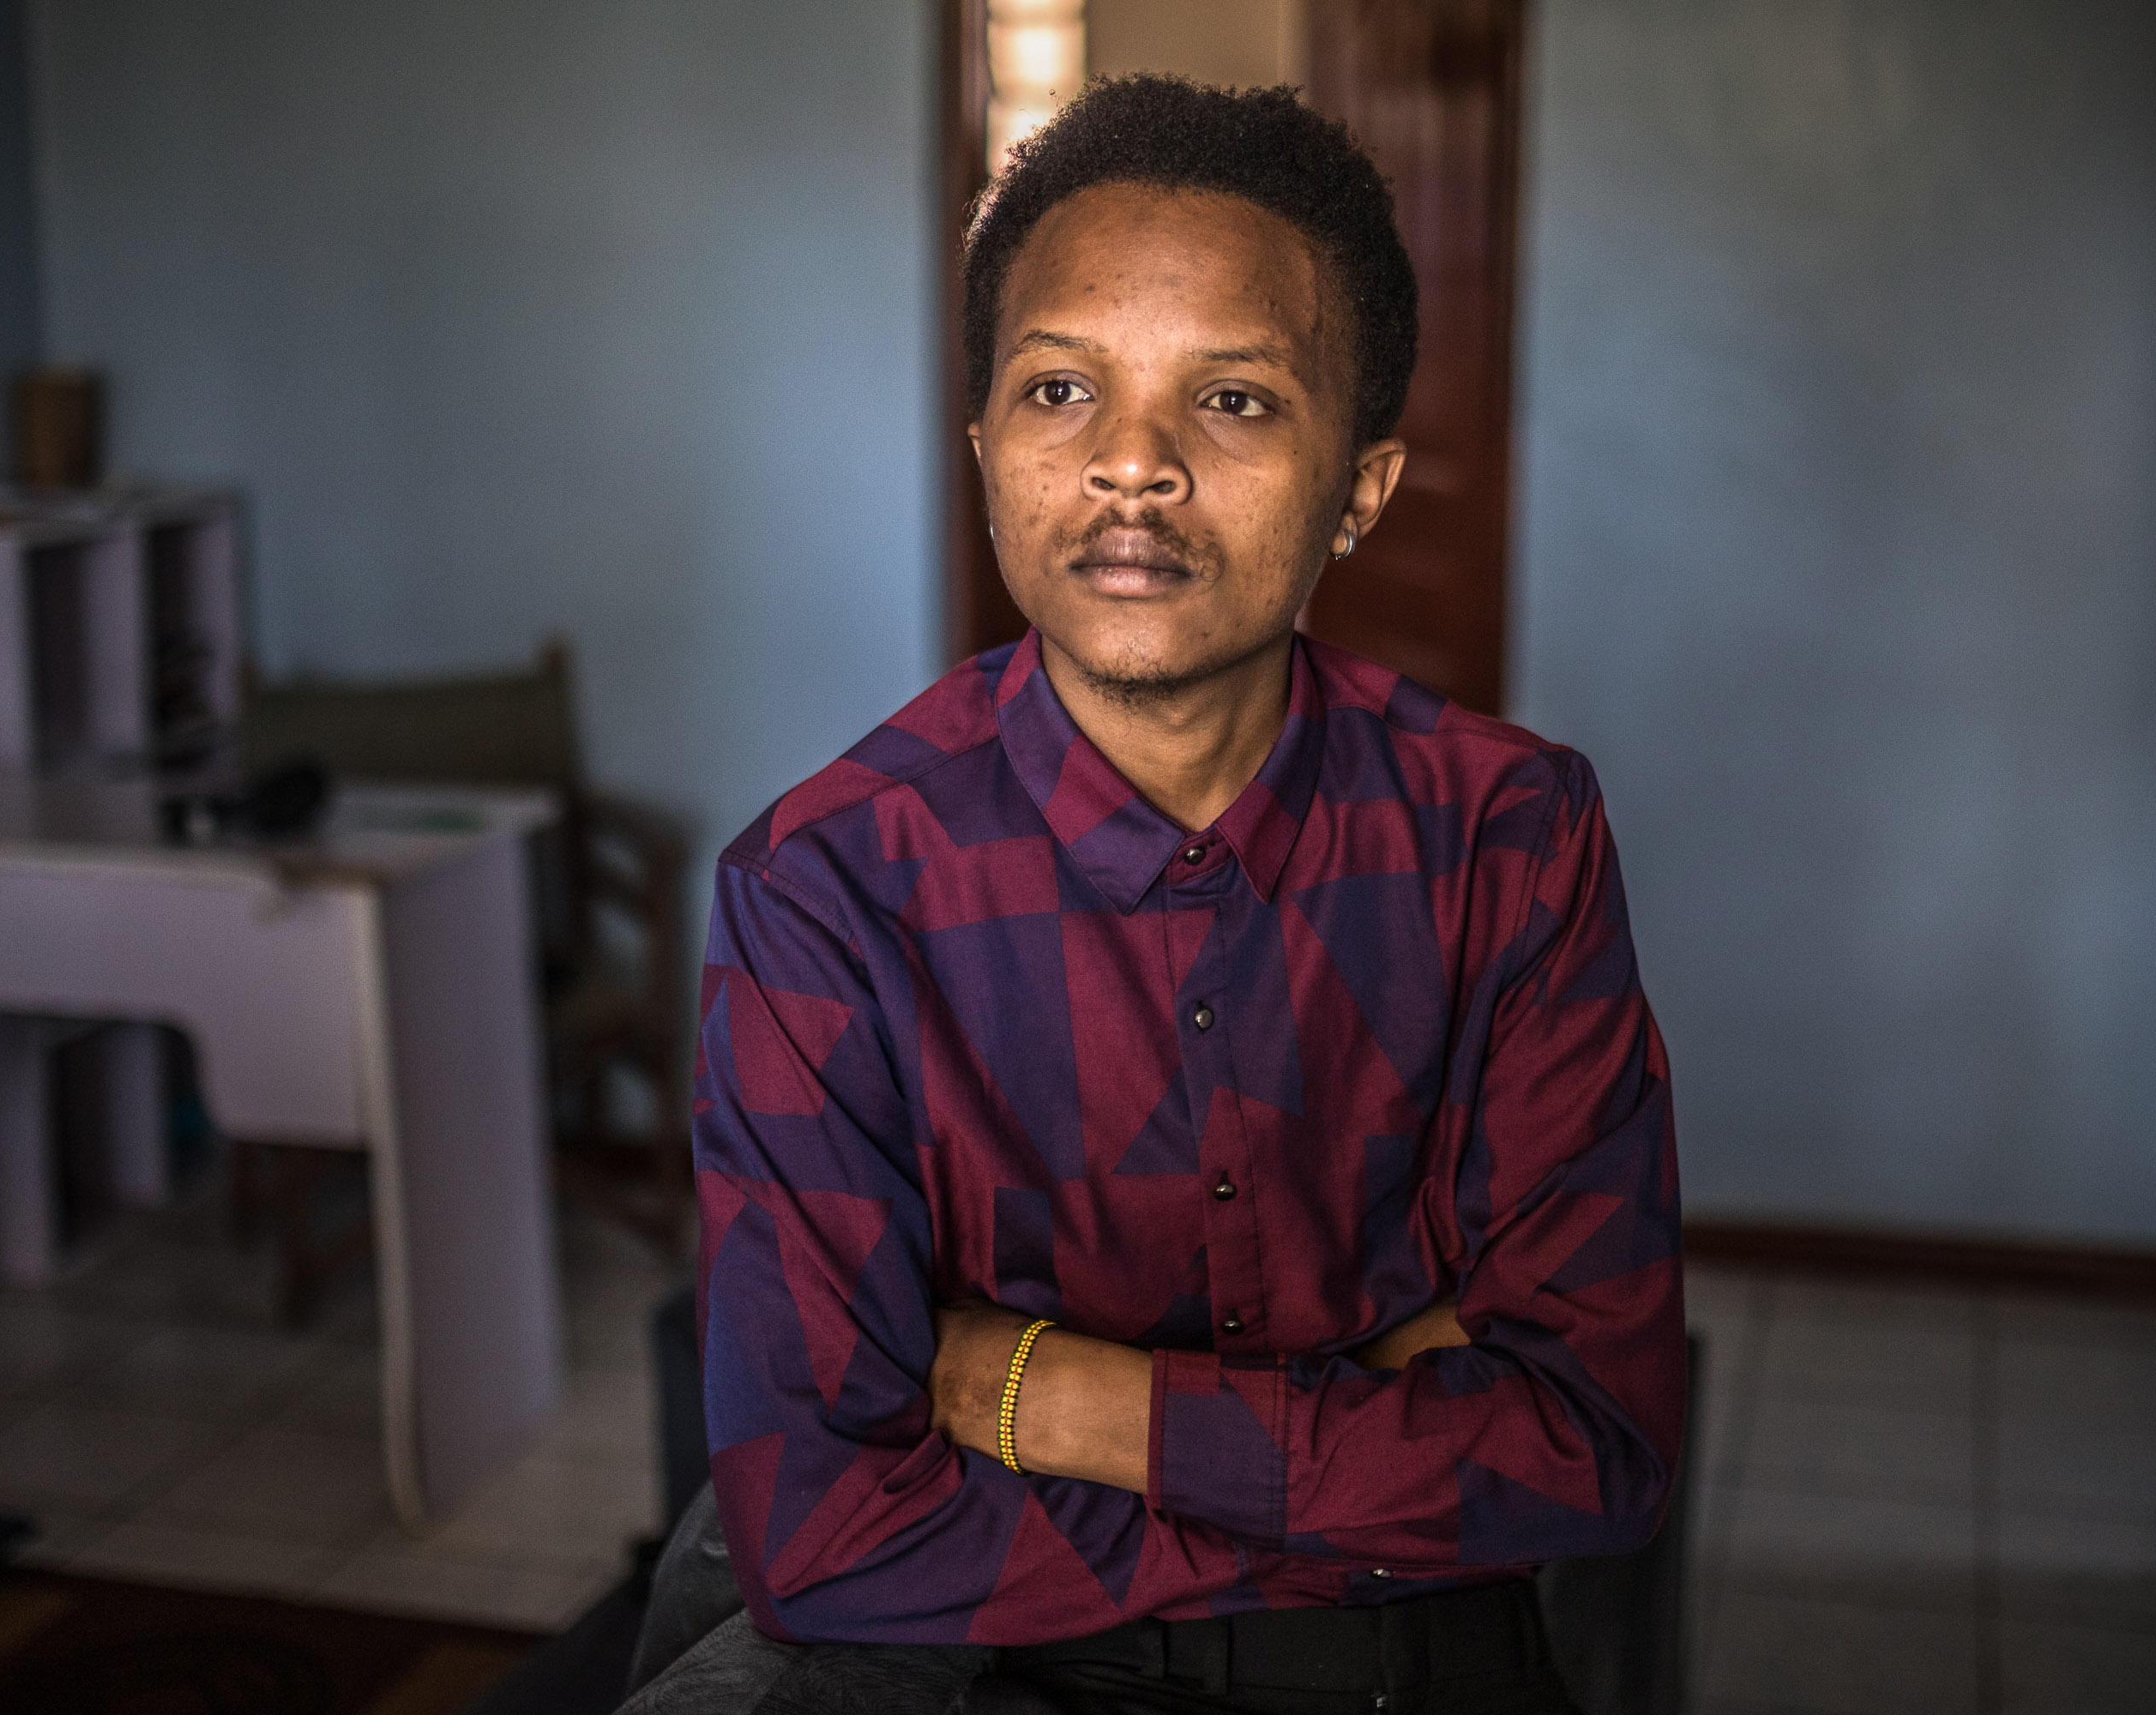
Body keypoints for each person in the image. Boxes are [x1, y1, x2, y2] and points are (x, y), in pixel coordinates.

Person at [641, 74, 1683, 1715]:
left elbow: (1596, 1449)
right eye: (1061, 390)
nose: (1131, 465)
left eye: (1239, 403)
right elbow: (826, 1533)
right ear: (985, 449)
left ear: (1363, 483)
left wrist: (1052, 1397)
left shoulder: (1509, 836)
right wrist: (1379, 1430)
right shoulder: (826, 886)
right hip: (985, 1673)